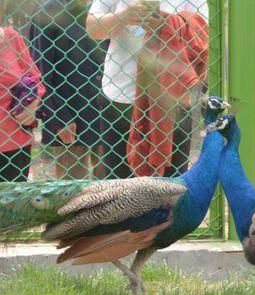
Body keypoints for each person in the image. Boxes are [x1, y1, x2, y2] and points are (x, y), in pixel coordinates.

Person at [87, 0, 209, 179]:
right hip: (120, 98)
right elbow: (92, 28)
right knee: (120, 187)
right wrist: (124, 16)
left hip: (172, 100)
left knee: (170, 186)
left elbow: (202, 34)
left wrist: (168, 24)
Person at [29, 0, 107, 180]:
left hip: (106, 107)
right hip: (69, 112)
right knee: (71, 187)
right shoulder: (49, 9)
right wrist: (58, 115)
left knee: (109, 183)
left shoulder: (102, 6)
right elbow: (40, 71)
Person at [0, 6, 45, 182]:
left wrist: (31, 107)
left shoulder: (12, 37)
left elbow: (36, 79)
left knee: (13, 205)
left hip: (16, 139)